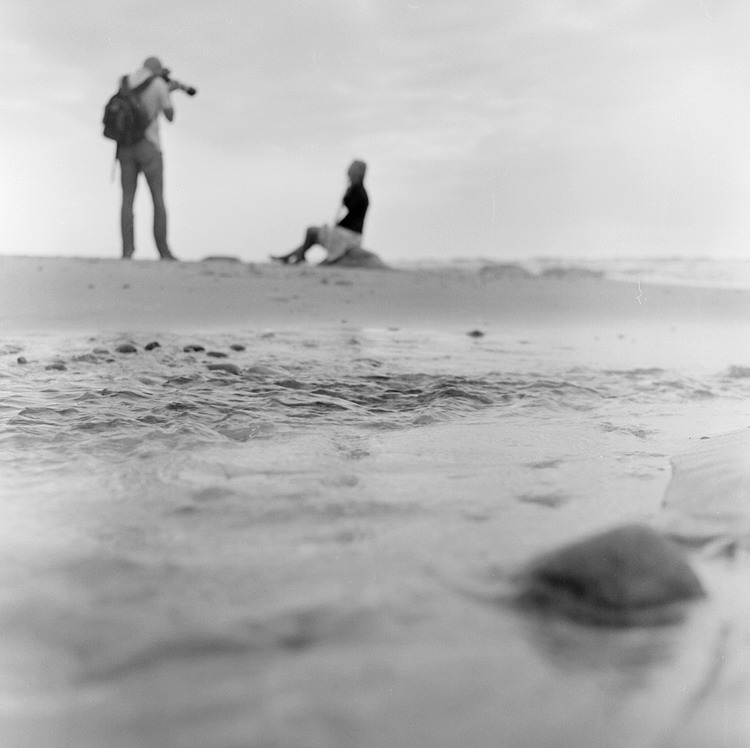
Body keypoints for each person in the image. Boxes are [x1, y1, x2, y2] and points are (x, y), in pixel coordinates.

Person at [117, 56, 178, 260]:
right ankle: (163, 251)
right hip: (149, 145)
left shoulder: (126, 81)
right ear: (158, 69)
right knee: (157, 199)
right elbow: (170, 116)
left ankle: (127, 251)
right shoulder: (159, 84)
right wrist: (168, 93)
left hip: (125, 147)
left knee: (127, 200)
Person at [272, 160, 369, 265]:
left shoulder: (359, 193)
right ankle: (291, 256)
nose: (348, 171)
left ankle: (297, 257)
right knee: (312, 235)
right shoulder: (356, 190)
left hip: (349, 236)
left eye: (351, 169)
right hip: (349, 233)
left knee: (311, 231)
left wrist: (337, 224)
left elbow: (352, 214)